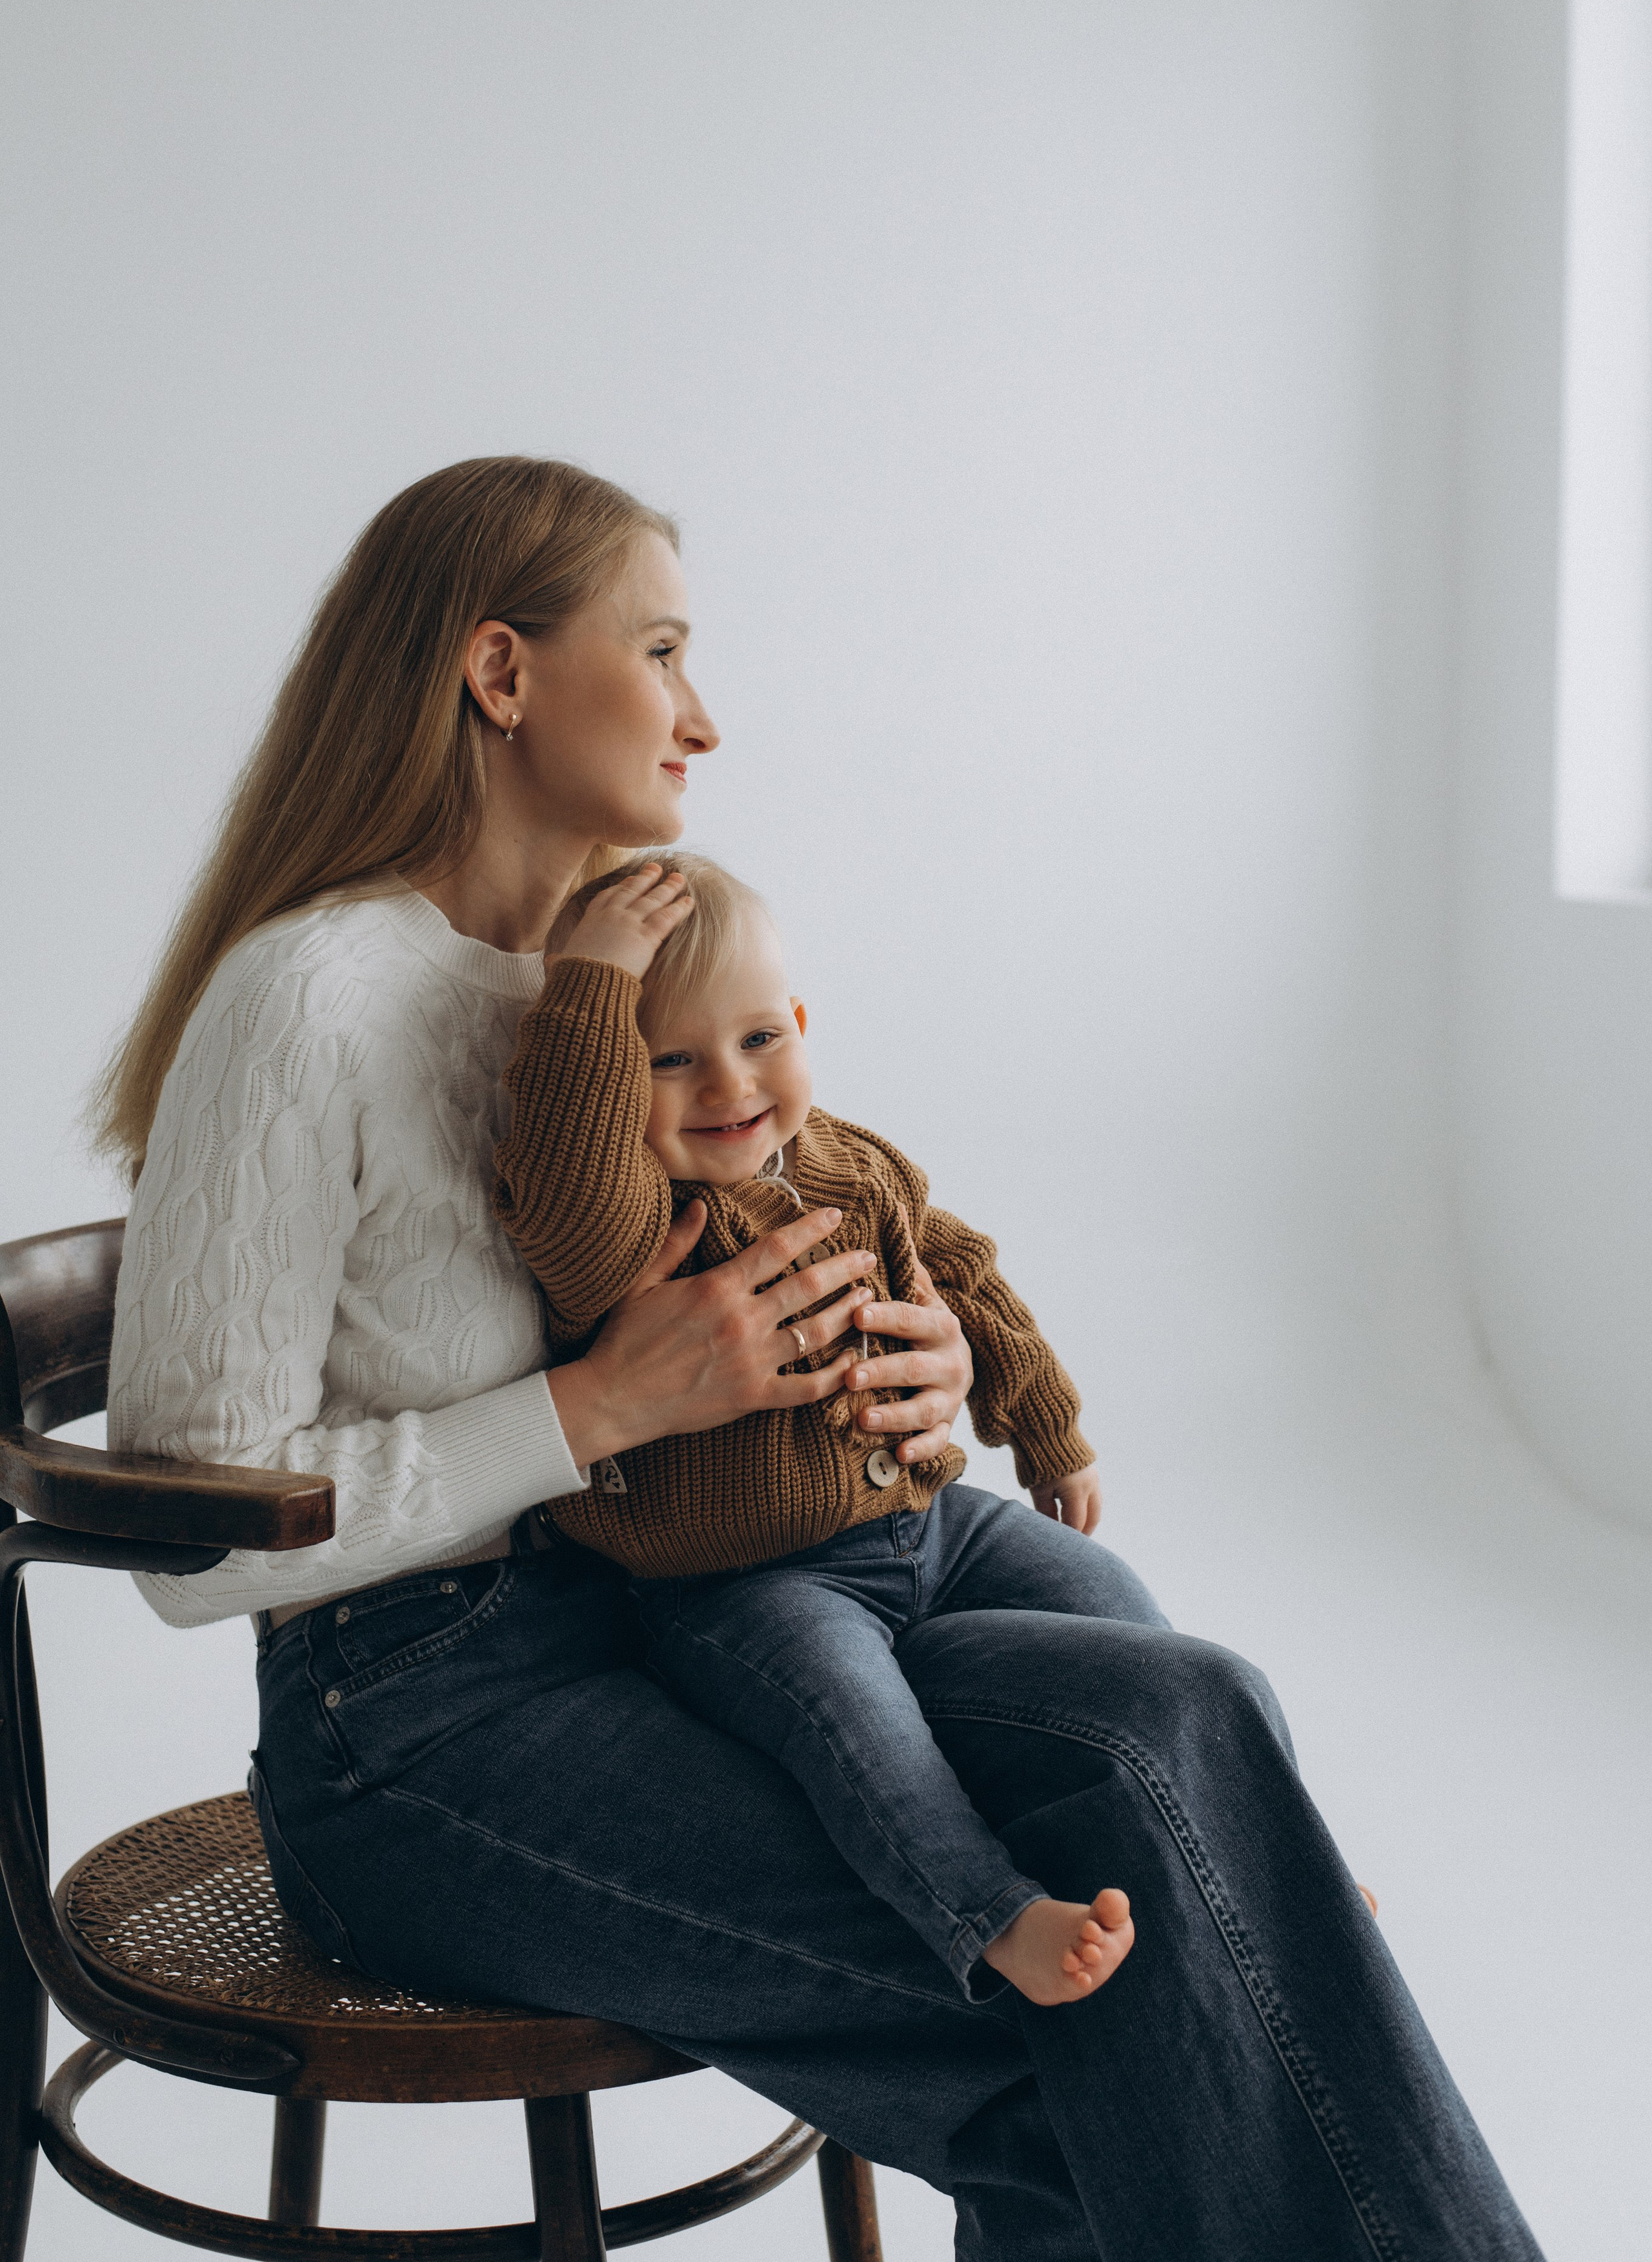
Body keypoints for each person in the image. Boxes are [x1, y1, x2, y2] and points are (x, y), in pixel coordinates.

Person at [98, 456, 1544, 2261]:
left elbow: (800, 1201)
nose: (705, 717)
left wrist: (913, 1368)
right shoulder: (307, 998)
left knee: (1191, 1709)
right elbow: (187, 1541)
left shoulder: (616, 977)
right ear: (500, 673)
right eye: (664, 650)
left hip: (697, 1612)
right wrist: (603, 1406)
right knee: (1128, 2022)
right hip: (415, 1730)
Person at [492, 847, 1137, 2007]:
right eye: (668, 1060)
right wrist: (590, 985)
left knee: (1122, 1617)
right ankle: (991, 1918)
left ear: (800, 1019)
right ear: (602, 1083)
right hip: (744, 1588)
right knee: (862, 1731)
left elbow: (968, 1281)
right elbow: (572, 1201)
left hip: (927, 1526)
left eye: (757, 1041)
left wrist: (1048, 1426)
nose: (727, 1088)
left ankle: (1248, 1846)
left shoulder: (855, 1162)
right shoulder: (632, 1214)